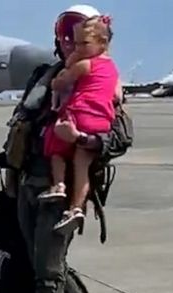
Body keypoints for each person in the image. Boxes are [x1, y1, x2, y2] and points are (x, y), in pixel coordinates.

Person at [4, 5, 120, 293]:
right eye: (64, 30)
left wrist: (82, 139)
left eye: (77, 31)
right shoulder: (45, 76)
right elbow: (23, 121)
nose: (69, 38)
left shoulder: (103, 77)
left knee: (48, 274)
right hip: (27, 185)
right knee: (45, 266)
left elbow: (119, 136)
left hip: (64, 191)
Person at [39, 15, 119, 235]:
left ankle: (59, 186)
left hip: (78, 117)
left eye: (82, 43)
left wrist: (77, 137)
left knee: (55, 146)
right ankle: (75, 208)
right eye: (71, 41)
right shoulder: (111, 70)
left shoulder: (82, 65)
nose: (75, 47)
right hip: (99, 122)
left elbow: (119, 140)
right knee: (80, 164)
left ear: (102, 42)